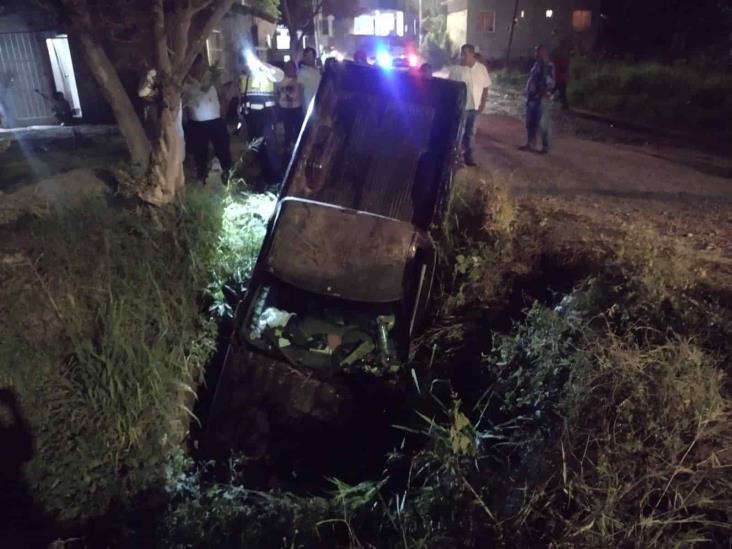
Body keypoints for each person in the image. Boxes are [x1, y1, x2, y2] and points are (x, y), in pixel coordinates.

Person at [182, 54, 233, 182]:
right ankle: (202, 179)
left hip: (216, 121)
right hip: (196, 124)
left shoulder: (212, 79)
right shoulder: (185, 81)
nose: (200, 68)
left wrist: (223, 117)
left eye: (201, 65)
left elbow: (222, 97)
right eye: (197, 65)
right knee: (200, 154)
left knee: (223, 151)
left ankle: (230, 177)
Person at [448, 44, 492, 167]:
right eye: (462, 54)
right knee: (458, 133)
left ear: (472, 54)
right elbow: (450, 88)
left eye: (465, 54)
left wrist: (483, 104)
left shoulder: (481, 69)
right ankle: (455, 159)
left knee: (470, 134)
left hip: (475, 108)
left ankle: (469, 157)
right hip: (461, 108)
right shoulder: (456, 70)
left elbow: (485, 87)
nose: (462, 57)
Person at [519, 45, 555, 154]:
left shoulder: (548, 65)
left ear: (544, 53)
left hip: (541, 98)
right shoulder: (536, 65)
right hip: (532, 97)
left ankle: (546, 146)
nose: (536, 54)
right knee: (530, 122)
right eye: (536, 52)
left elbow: (550, 82)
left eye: (538, 52)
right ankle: (530, 143)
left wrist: (544, 93)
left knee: (543, 123)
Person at [277, 61, 304, 152]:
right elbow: (277, 93)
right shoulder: (281, 80)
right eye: (287, 67)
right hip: (285, 108)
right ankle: (287, 146)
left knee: (297, 128)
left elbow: (300, 93)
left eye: (290, 68)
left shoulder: (299, 80)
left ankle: (298, 147)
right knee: (287, 128)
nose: (289, 70)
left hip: (296, 108)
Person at [298, 47, 321, 113]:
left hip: (320, 103)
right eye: (306, 56)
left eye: (310, 56)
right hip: (309, 104)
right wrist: (303, 105)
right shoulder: (302, 72)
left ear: (314, 57)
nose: (308, 59)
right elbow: (300, 90)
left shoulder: (319, 71)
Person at [552, 44, 570, 110]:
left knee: (561, 92)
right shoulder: (558, 60)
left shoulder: (561, 60)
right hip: (559, 79)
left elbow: (564, 69)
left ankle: (565, 105)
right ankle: (564, 105)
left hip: (559, 79)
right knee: (561, 93)